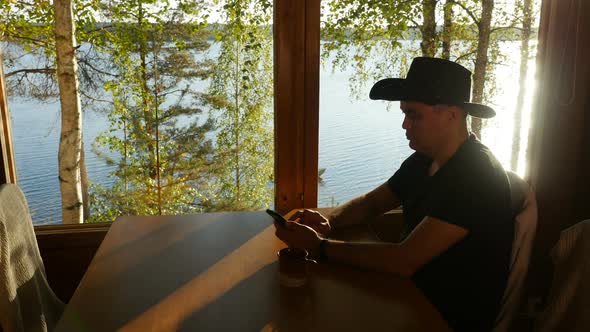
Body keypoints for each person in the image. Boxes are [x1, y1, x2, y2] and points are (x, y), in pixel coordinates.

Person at [274, 57, 514, 332]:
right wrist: (332, 222)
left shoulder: (476, 174)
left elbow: (405, 261)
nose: (405, 125)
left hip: (446, 318)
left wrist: (319, 247)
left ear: (452, 115)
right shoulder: (424, 160)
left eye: (414, 115)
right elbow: (372, 203)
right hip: (408, 295)